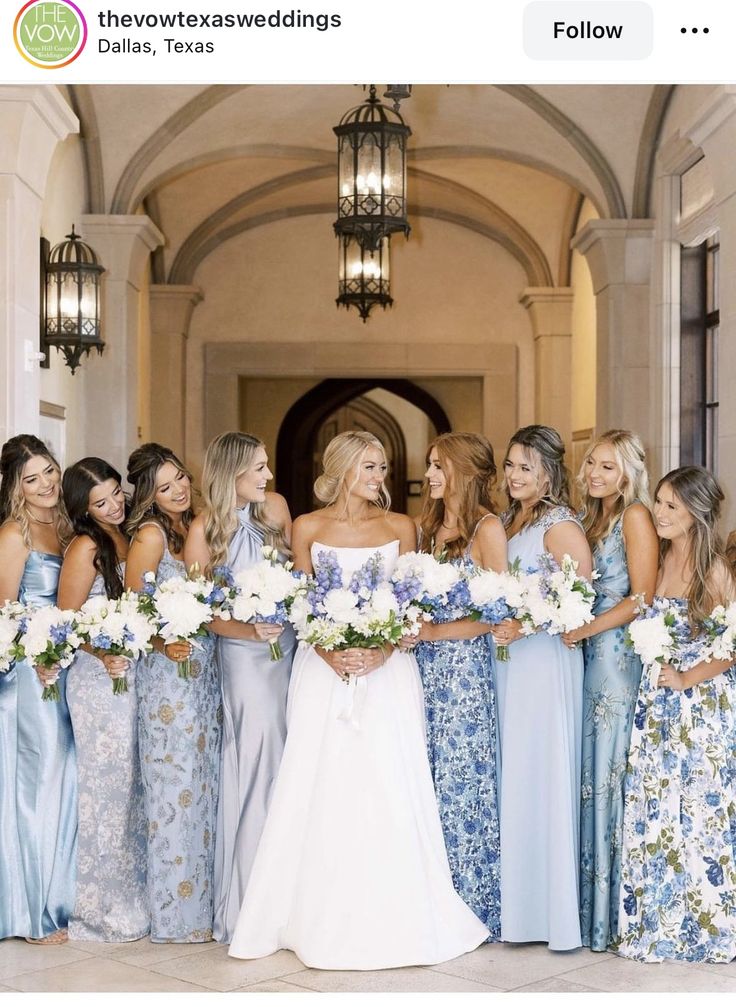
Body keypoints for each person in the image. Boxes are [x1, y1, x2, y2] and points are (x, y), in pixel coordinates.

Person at [228, 430, 489, 969]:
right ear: (343, 470)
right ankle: (310, 914)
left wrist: (383, 648)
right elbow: (301, 605)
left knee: (387, 782)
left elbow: (411, 604)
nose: (379, 479)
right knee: (321, 783)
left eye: (382, 469)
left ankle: (397, 912)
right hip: (323, 674)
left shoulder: (402, 528)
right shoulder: (307, 526)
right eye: (369, 468)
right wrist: (329, 653)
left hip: (388, 673)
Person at [616, 466, 736, 963]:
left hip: (701, 707)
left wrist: (687, 677)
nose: (659, 513)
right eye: (659, 502)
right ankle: (656, 921)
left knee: (701, 812)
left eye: (671, 505)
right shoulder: (659, 559)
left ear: (697, 512)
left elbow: (734, 642)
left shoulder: (713, 570)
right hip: (656, 706)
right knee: (657, 808)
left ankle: (704, 924)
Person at [184, 432, 295, 944]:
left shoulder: (275, 510)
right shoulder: (205, 528)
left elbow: (298, 579)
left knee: (290, 759)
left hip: (287, 652)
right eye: (258, 468)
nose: (267, 476)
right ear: (232, 473)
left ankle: (290, 889)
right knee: (255, 761)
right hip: (245, 661)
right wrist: (249, 629)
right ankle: (252, 900)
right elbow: (197, 613)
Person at [490, 424, 593, 950]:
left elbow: (579, 598)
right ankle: (516, 907)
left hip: (542, 661)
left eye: (525, 467)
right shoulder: (512, 520)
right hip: (509, 661)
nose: (513, 476)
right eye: (510, 465)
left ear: (549, 471)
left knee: (539, 770)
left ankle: (545, 913)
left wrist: (525, 625)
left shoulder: (560, 525)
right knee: (515, 773)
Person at [560, 431, 658, 952]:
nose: (595, 473)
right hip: (586, 657)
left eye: (607, 467)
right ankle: (584, 909)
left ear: (628, 473)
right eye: (592, 464)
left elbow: (641, 597)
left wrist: (582, 629)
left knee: (609, 773)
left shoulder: (635, 517)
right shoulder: (590, 517)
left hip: (615, 661)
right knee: (588, 774)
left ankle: (613, 916)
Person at [410, 432, 505, 937]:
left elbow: (496, 613)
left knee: (461, 780)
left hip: (464, 674)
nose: (429, 476)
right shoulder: (426, 526)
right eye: (430, 466)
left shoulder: (487, 529)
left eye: (438, 467)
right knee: (424, 778)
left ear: (464, 472)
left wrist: (434, 632)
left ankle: (472, 906)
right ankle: (430, 898)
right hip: (421, 671)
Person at [125, 443, 221, 943]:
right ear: (148, 495)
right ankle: (173, 916)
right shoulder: (149, 535)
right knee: (172, 789)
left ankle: (203, 910)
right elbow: (133, 611)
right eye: (164, 487)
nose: (179, 489)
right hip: (167, 678)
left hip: (206, 672)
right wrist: (166, 639)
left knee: (203, 786)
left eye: (180, 478)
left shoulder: (198, 525)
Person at [58, 457, 148, 942]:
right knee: (104, 791)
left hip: (133, 676)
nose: (114, 505)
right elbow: (66, 620)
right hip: (97, 681)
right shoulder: (86, 545)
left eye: (116, 493)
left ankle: (131, 898)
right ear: (83, 508)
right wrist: (103, 651)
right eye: (100, 501)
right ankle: (96, 909)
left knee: (132, 788)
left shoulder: (129, 535)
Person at [0, 434, 76, 944]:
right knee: (38, 782)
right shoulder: (14, 532)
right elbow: (5, 612)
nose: (46, 483)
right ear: (15, 488)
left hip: (68, 666)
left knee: (66, 780)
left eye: (49, 471)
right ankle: (33, 913)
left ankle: (61, 899)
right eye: (33, 479)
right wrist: (38, 656)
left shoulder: (67, 525)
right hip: (33, 672)